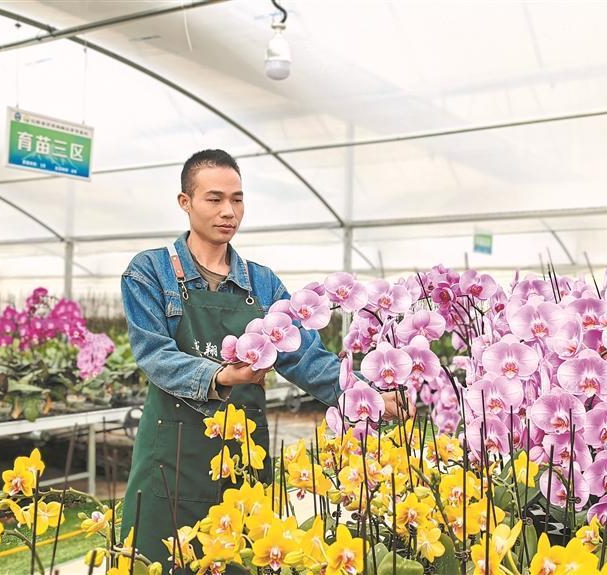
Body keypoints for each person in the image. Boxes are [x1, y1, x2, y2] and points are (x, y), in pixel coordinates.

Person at [119, 149, 401, 563]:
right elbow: (154, 353)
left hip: (243, 454)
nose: (228, 211)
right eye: (215, 199)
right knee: (157, 562)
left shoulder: (262, 283)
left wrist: (366, 395)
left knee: (241, 558)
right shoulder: (150, 271)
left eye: (237, 199)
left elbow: (306, 358)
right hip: (170, 456)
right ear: (185, 202)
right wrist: (221, 376)